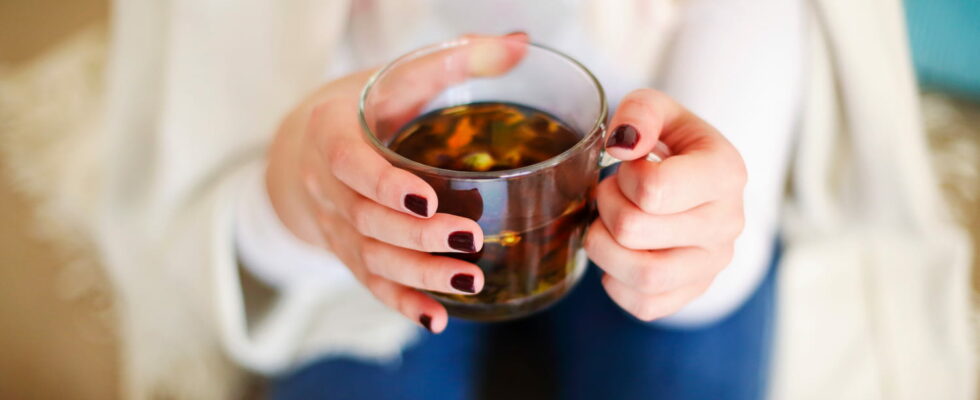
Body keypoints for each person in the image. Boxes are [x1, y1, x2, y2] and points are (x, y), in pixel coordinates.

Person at [97, 0, 974, 399]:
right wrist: (298, 193)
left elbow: (718, 251)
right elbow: (208, 211)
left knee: (686, 355)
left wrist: (692, 243)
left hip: (652, 164)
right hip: (366, 240)